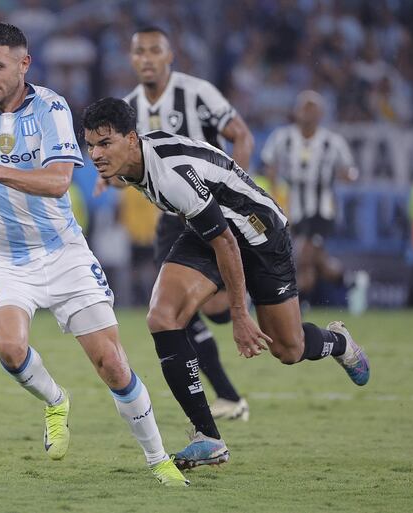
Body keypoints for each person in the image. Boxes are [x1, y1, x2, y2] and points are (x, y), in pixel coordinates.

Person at [0, 23, 188, 487]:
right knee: (9, 347)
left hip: (62, 252)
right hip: (3, 258)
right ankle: (55, 401)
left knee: (111, 363)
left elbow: (58, 181)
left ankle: (158, 459)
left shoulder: (51, 108)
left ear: (24, 64)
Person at [82, 97, 371, 470]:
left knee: (288, 348)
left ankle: (339, 342)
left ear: (132, 139)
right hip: (210, 228)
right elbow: (213, 231)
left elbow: (228, 242)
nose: (95, 154)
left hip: (260, 233)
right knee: (162, 317)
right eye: (90, 144)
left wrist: (240, 314)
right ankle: (208, 438)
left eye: (105, 144)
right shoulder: (131, 164)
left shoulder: (170, 174)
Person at [104, 26, 254, 421]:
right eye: (140, 52)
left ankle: (241, 300)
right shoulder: (129, 107)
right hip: (172, 221)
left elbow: (241, 136)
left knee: (215, 312)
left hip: (213, 211)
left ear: (170, 56)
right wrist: (111, 178)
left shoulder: (197, 92)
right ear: (131, 58)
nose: (147, 58)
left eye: (155, 50)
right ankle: (227, 397)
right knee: (172, 313)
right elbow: (125, 172)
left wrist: (235, 194)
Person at [262, 91, 357, 306]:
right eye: (305, 107)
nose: (308, 113)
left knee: (304, 253)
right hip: (293, 209)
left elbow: (350, 170)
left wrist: (348, 175)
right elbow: (269, 165)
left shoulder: (332, 142)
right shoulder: (282, 138)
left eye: (313, 108)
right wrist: (275, 193)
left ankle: (296, 306)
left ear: (321, 113)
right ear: (296, 111)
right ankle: (348, 280)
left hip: (321, 211)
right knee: (317, 263)